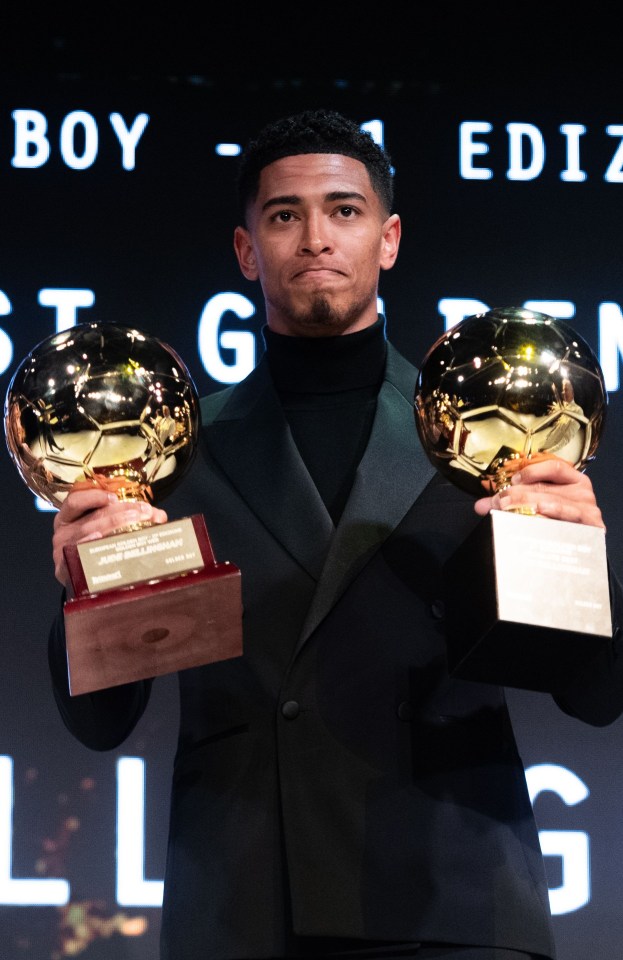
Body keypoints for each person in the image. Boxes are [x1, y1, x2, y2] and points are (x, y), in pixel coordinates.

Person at [48, 108, 623, 960]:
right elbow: (101, 724)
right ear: (247, 251)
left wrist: (581, 565)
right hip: (246, 901)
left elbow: (594, 696)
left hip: (451, 899)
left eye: (344, 210)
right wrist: (81, 593)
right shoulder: (170, 457)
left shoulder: (487, 438)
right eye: (284, 215)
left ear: (388, 239)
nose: (316, 236)